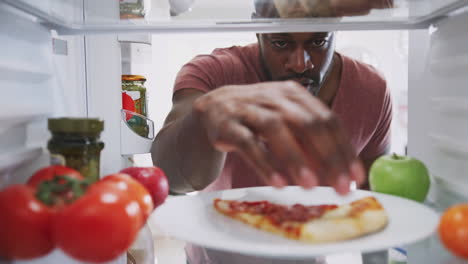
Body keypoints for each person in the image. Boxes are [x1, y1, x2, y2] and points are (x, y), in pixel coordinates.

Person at [152, 0, 393, 263]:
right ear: (258, 29)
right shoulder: (215, 72)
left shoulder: (371, 91)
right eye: (281, 43)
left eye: (318, 42)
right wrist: (207, 117)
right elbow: (172, 176)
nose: (300, 64)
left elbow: (374, 202)